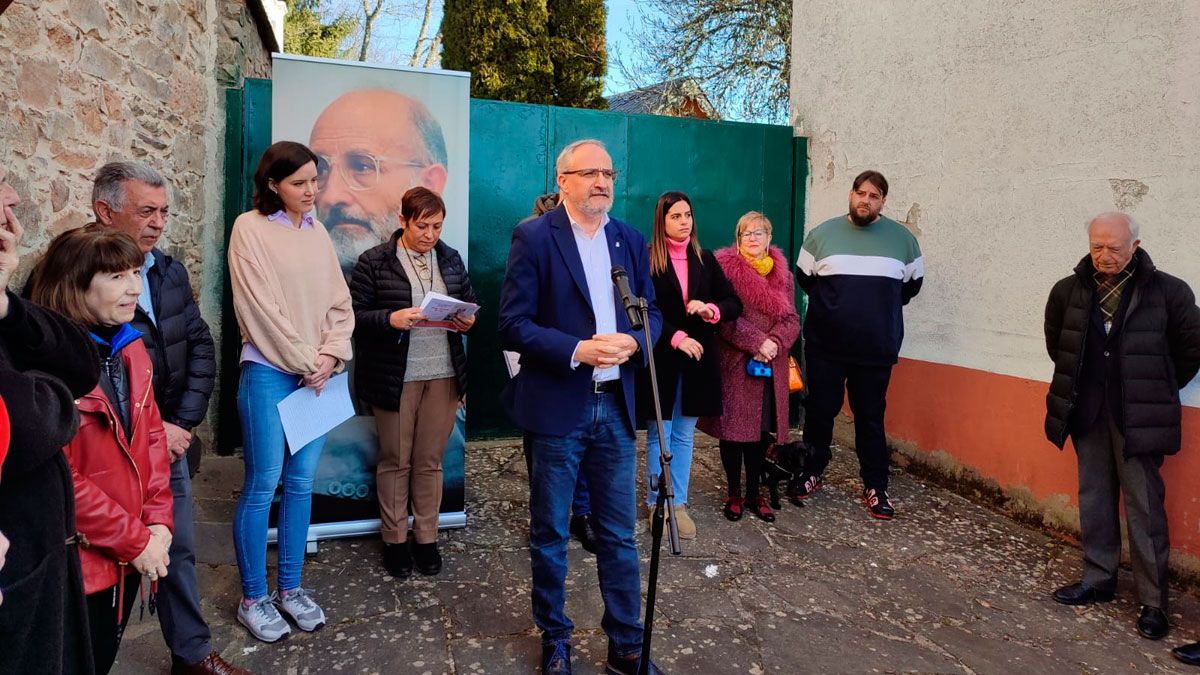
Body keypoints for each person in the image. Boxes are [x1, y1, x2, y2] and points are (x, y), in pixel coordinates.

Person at [498, 139, 663, 675]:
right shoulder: (534, 237)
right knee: (549, 533)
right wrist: (577, 349)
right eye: (589, 172)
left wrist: (639, 342)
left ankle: (626, 647)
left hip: (616, 407)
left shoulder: (630, 240)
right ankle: (555, 638)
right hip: (557, 408)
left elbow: (651, 311)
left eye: (608, 172)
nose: (602, 181)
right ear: (563, 180)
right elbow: (513, 324)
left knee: (618, 533)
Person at [90, 162, 244, 674]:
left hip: (168, 440)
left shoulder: (169, 270)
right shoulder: (77, 275)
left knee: (176, 547)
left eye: (164, 212)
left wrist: (184, 422)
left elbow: (199, 343)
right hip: (108, 452)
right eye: (146, 211)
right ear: (104, 211)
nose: (158, 223)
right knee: (101, 565)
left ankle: (192, 654)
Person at [1045, 212, 1200, 642]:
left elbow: (1190, 350)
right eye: (1097, 246)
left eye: (1114, 247)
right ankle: (1098, 579)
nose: (1104, 255)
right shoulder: (1068, 290)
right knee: (1093, 495)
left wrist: (1159, 386)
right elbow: (1058, 343)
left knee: (1145, 507)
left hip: (1139, 416)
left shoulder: (1168, 291)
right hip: (1089, 412)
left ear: (1135, 245)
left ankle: (1154, 602)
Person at [27, 225, 175, 675]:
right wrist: (136, 541)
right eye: (116, 276)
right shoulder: (41, 365)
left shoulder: (129, 347)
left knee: (103, 656)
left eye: (135, 272)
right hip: (74, 558)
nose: (134, 287)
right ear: (75, 284)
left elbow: (151, 440)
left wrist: (159, 521)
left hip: (130, 550)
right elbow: (59, 475)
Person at [227, 141, 354, 643]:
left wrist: (330, 357)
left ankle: (291, 589)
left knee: (301, 483)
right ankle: (253, 597)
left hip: (316, 374)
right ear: (272, 184)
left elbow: (339, 304)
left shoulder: (319, 232)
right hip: (269, 372)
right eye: (299, 182)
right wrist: (308, 362)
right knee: (263, 484)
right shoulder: (249, 229)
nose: (311, 191)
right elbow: (259, 312)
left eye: (314, 181)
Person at [0, 178, 100, 675]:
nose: (12, 199)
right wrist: (58, 397)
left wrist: (5, 304)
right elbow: (29, 425)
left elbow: (81, 364)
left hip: (36, 563)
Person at [349, 186, 476, 579]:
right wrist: (391, 319)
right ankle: (394, 540)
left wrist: (468, 320)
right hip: (395, 376)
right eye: (422, 226)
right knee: (395, 461)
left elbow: (469, 302)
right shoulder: (374, 261)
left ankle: (426, 537)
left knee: (429, 461)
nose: (430, 235)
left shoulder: (450, 259)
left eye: (437, 226)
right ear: (402, 221)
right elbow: (354, 316)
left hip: (443, 373)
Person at [795, 170, 924, 519]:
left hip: (875, 348)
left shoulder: (903, 240)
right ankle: (811, 471)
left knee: (870, 417)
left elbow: (910, 287)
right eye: (861, 193)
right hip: (827, 346)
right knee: (821, 411)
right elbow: (805, 279)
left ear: (883, 202)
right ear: (851, 194)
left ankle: (875, 484)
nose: (866, 200)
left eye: (874, 196)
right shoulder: (821, 235)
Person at [637, 191, 742, 539]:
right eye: (676, 216)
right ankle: (657, 503)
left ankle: (677, 504)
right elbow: (642, 310)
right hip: (663, 360)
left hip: (698, 363)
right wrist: (676, 336)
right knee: (659, 435)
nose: (684, 222)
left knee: (683, 435)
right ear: (661, 222)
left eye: (688, 215)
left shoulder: (705, 259)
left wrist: (711, 310)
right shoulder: (649, 260)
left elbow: (732, 303)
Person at [699, 212, 799, 523]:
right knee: (733, 433)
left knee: (759, 433)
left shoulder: (784, 275)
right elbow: (724, 318)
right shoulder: (725, 269)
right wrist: (757, 343)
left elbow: (791, 319)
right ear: (738, 238)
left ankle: (755, 493)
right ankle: (733, 493)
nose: (753, 238)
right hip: (736, 362)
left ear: (770, 238)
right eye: (746, 233)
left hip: (771, 364)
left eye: (759, 232)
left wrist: (775, 344)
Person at [515, 192, 598, 555]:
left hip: (587, 370)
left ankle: (581, 513)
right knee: (545, 451)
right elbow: (517, 315)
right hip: (543, 368)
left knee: (581, 453)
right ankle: (548, 520)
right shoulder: (530, 237)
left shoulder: (603, 241)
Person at [309, 89, 449, 272]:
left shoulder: (450, 266)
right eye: (321, 170)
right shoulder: (294, 278)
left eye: (361, 166)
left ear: (429, 185)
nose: (330, 196)